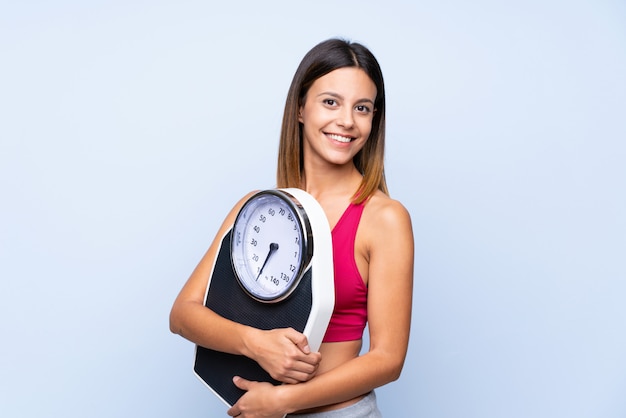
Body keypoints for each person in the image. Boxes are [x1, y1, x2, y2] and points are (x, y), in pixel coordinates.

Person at [170, 38, 414, 417]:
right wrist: (254, 343)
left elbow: (388, 359)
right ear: (300, 108)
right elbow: (183, 314)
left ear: (373, 119)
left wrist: (281, 401)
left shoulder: (384, 218)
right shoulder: (255, 210)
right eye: (330, 102)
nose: (347, 120)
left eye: (362, 108)